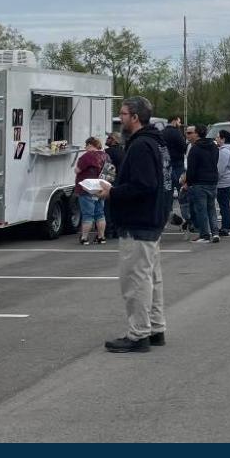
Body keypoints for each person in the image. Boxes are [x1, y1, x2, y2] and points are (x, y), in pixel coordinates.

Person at [95, 96, 173, 354]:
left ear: (136, 117)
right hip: (153, 218)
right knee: (151, 277)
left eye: (124, 114)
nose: (121, 119)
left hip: (139, 220)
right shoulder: (157, 143)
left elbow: (143, 185)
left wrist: (111, 193)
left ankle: (139, 333)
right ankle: (155, 328)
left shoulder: (141, 146)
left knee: (136, 279)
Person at [184, 124, 220, 244]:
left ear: (197, 133)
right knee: (211, 208)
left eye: (190, 133)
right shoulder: (214, 146)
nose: (188, 135)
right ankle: (215, 233)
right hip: (213, 180)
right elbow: (215, 161)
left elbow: (191, 169)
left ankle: (205, 235)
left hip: (200, 182)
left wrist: (188, 182)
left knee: (201, 209)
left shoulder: (195, 148)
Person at [72, 136, 109, 246]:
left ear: (90, 145)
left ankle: (84, 238)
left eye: (86, 145)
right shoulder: (106, 156)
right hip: (100, 188)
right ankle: (101, 237)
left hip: (87, 189)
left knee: (88, 215)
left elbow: (77, 170)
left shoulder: (86, 157)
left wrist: (76, 169)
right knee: (100, 214)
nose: (85, 148)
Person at [161, 116, 189, 230]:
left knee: (167, 193)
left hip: (166, 166)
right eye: (179, 121)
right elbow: (183, 147)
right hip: (177, 164)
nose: (180, 123)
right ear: (174, 121)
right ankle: (187, 220)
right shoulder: (176, 133)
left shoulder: (162, 132)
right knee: (183, 191)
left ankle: (165, 220)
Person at [214, 129, 230, 238]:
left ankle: (225, 228)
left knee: (224, 205)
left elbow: (220, 170)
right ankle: (225, 227)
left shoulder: (223, 151)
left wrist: (214, 180)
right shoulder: (228, 149)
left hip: (225, 182)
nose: (216, 139)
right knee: (224, 204)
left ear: (223, 139)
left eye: (218, 137)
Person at [103, 132, 126, 238]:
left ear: (114, 140)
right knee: (118, 207)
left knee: (107, 208)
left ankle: (109, 230)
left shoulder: (107, 152)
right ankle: (118, 230)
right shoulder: (123, 152)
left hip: (110, 183)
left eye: (108, 138)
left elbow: (104, 168)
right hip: (121, 183)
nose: (106, 139)